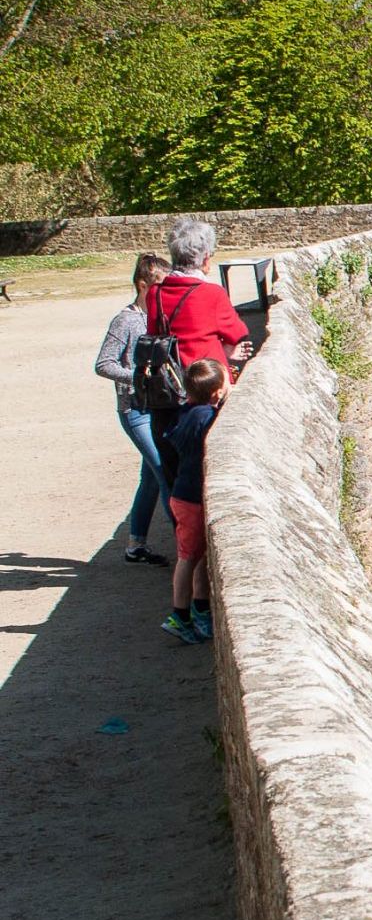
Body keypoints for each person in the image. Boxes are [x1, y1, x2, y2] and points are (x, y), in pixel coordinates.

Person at [146, 218, 252, 460]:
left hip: (170, 387)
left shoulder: (155, 293)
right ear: (205, 258)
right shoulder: (211, 293)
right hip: (206, 387)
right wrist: (224, 347)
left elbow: (156, 333)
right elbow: (238, 332)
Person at [94, 253, 174, 565]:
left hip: (156, 407)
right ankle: (186, 548)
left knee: (151, 477)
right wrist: (140, 376)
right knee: (165, 472)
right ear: (143, 286)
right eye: (159, 287)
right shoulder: (126, 320)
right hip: (135, 410)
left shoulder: (157, 316)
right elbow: (103, 364)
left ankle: (135, 545)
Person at [160, 359, 225, 644]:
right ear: (216, 393)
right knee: (187, 557)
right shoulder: (205, 418)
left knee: (198, 554)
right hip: (191, 499)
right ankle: (179, 615)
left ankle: (200, 609)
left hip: (183, 494)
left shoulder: (187, 412)